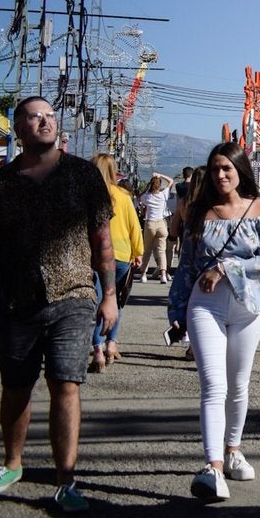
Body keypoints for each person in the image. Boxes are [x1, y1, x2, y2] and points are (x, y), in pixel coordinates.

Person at [0, 96, 116, 514]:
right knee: (16, 387)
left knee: (65, 384)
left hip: (72, 296)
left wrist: (109, 296)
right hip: (15, 300)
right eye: (35, 117)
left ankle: (65, 480)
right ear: (18, 129)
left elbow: (103, 241)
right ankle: (12, 463)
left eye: (51, 116)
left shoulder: (83, 176)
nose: (45, 123)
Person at [168, 142, 260, 502]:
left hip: (249, 307)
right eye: (215, 168)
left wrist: (225, 267)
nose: (220, 175)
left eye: (227, 168)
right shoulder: (199, 213)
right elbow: (185, 265)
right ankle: (212, 467)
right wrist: (177, 311)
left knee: (239, 383)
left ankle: (234, 449)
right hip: (206, 306)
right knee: (213, 385)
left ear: (240, 170)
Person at [88, 154, 143, 371]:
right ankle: (112, 343)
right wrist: (138, 251)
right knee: (116, 301)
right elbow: (134, 226)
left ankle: (98, 350)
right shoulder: (123, 196)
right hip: (121, 255)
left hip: (95, 256)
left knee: (97, 303)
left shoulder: (89, 195)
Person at [138, 172, 173, 283]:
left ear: (150, 184)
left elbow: (139, 198)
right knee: (161, 251)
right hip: (161, 224)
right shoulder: (163, 194)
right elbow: (171, 181)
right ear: (159, 185)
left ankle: (143, 274)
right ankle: (163, 274)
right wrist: (160, 175)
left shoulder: (147, 196)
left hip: (150, 224)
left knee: (147, 250)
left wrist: (147, 187)